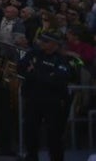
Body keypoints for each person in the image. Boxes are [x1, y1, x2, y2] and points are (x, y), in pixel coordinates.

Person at [19, 31, 73, 161]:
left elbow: (59, 79)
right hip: (33, 97)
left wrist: (35, 72)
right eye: (41, 40)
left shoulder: (61, 59)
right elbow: (21, 67)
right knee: (30, 130)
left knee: (54, 134)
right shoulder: (34, 53)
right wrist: (43, 75)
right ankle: (31, 156)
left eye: (46, 41)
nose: (42, 43)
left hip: (53, 101)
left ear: (55, 45)